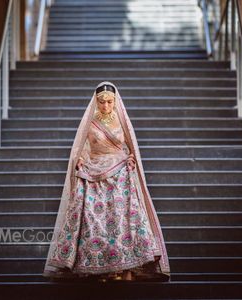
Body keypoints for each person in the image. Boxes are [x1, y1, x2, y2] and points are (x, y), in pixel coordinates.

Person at [42, 81, 170, 281]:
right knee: (93, 219)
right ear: (96, 102)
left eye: (109, 102)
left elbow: (129, 147)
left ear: (115, 101)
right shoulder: (90, 123)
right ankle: (98, 267)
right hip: (94, 173)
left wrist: (129, 158)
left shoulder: (121, 122)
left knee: (122, 218)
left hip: (119, 173)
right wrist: (82, 160)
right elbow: (83, 146)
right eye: (102, 102)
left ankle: (126, 267)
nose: (106, 106)